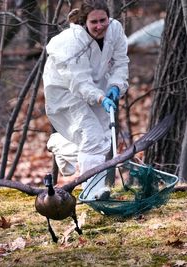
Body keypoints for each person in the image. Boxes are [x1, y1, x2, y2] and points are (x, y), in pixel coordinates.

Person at [43, 0, 129, 200]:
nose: (100, 26)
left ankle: (60, 144)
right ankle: (92, 192)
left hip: (97, 86)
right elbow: (78, 82)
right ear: (84, 22)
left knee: (103, 139)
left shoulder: (115, 30)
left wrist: (116, 85)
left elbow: (121, 62)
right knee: (91, 137)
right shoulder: (71, 43)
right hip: (65, 91)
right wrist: (100, 97)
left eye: (103, 20)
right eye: (94, 22)